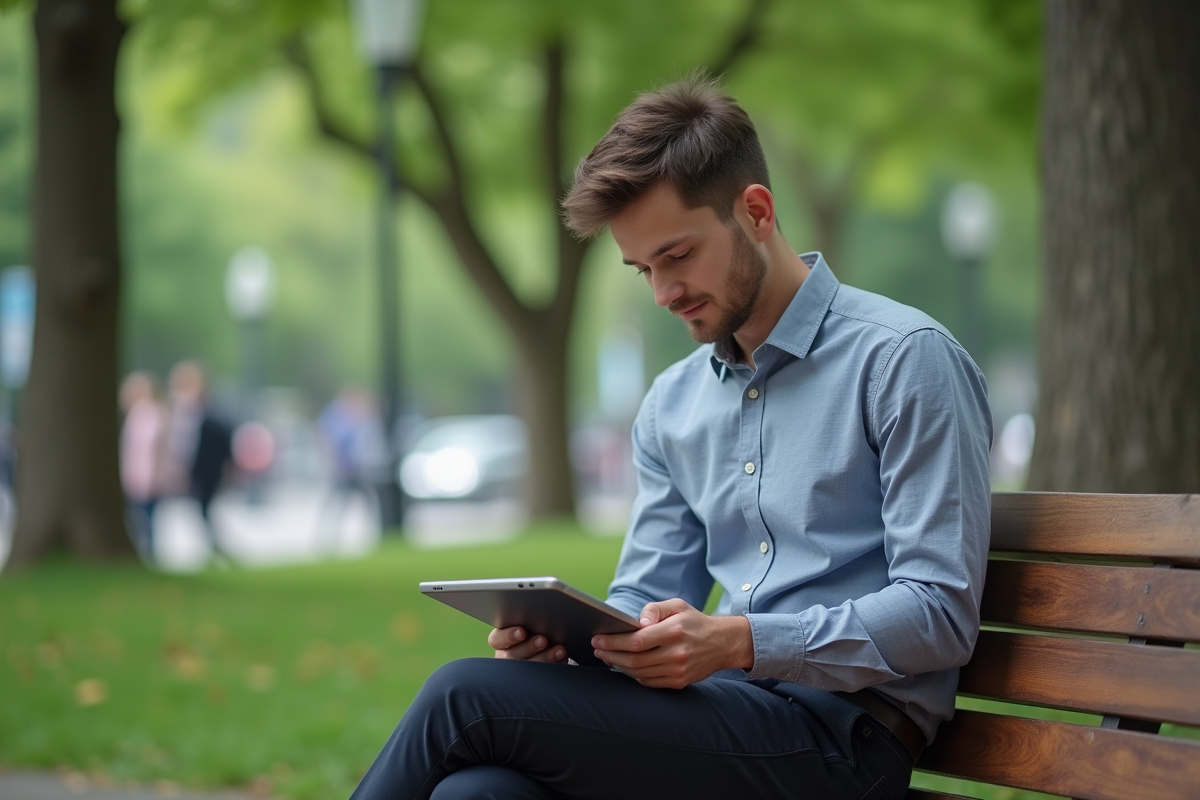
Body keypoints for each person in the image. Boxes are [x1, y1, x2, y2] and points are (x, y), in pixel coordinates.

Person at [350, 76, 993, 800]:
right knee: (481, 795)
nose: (662, 293)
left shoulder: (904, 360)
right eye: (643, 269)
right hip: (719, 721)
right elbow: (645, 596)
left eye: (678, 255)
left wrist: (740, 641)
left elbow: (940, 613)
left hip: (846, 743)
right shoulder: (672, 404)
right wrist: (575, 649)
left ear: (755, 212)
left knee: (464, 695)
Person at [160, 360, 234, 564]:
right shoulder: (187, 412)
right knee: (203, 511)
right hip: (200, 469)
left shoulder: (204, 413)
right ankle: (216, 549)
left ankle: (217, 549)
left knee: (203, 510)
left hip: (206, 470)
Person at [118, 370, 168, 562]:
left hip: (142, 479)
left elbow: (144, 452)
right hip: (148, 478)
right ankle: (149, 553)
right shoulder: (157, 412)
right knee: (147, 520)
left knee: (143, 520)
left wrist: (141, 480)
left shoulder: (143, 414)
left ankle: (148, 555)